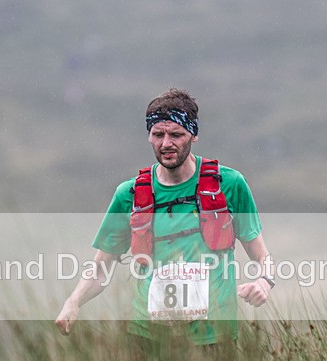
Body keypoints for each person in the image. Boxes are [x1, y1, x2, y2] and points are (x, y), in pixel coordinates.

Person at [55, 88, 273, 345]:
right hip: (148, 337)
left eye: (176, 134)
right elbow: (102, 267)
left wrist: (264, 281)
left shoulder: (229, 184)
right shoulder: (130, 194)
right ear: (149, 137)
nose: (166, 143)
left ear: (193, 134)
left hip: (215, 336)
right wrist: (74, 301)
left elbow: (261, 255)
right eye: (158, 134)